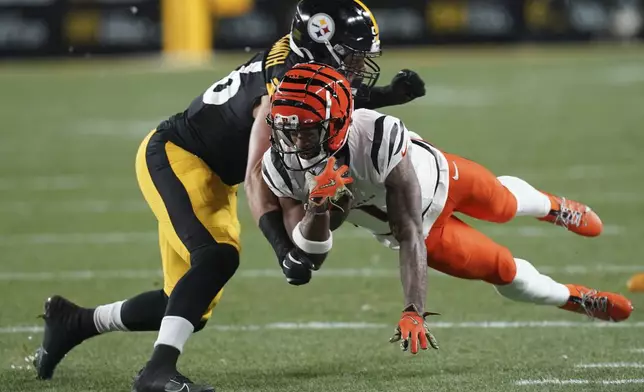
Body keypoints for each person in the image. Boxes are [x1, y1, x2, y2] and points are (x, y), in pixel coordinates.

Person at [33, 1, 427, 391]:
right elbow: (256, 174)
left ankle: (77, 322)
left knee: (188, 303)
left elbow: (327, 100)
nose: (358, 66)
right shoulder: (283, 89)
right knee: (217, 257)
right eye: (350, 55)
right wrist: (280, 248)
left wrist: (387, 95)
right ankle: (156, 372)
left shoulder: (303, 67)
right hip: (179, 155)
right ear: (323, 46)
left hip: (213, 171)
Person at [260, 63, 634, 354]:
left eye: (307, 130)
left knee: (502, 204)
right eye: (287, 129)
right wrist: (318, 209)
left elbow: (408, 230)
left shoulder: (376, 137)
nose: (295, 141)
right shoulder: (279, 165)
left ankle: (553, 207)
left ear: (339, 121)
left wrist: (413, 308)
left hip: (441, 179)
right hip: (427, 232)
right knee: (503, 269)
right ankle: (575, 298)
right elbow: (311, 253)